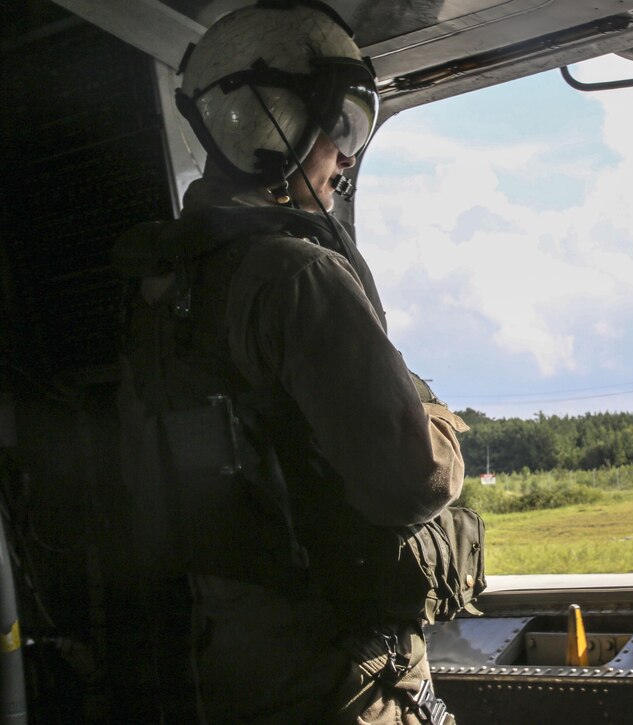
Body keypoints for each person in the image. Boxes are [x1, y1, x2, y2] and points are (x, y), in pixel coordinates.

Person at [112, 2, 471, 722]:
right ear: (270, 126)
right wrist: (440, 420)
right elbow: (413, 482)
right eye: (337, 128)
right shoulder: (296, 277)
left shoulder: (164, 284)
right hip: (340, 670)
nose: (344, 154)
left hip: (233, 655)